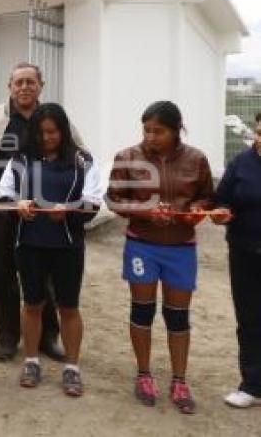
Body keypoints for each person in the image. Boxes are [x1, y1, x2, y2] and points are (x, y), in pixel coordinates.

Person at [106, 101, 213, 414]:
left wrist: (195, 212)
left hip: (181, 247)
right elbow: (114, 199)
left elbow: (206, 197)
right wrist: (145, 212)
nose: (150, 137)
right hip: (142, 245)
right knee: (142, 309)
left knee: (177, 315)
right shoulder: (127, 157)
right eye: (146, 130)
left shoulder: (196, 159)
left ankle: (179, 380)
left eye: (159, 131)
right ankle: (143, 374)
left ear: (177, 129)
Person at [0, 103, 103, 397]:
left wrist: (69, 210)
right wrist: (17, 205)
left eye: (52, 132)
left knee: (68, 307)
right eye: (41, 133)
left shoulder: (83, 160)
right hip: (29, 244)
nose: (46, 138)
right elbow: (3, 194)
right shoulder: (20, 159)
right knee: (32, 305)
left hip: (67, 246)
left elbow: (93, 202)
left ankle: (72, 367)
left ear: (63, 130)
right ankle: (31, 361)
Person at [0, 62, 69, 362]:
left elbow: (77, 152)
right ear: (9, 86)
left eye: (30, 82)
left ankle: (47, 337)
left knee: (45, 275)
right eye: (19, 82)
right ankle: (7, 338)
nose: (25, 87)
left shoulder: (55, 116)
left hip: (42, 209)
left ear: (41, 85)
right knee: (1, 273)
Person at [211, 115, 261, 408]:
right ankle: (252, 385)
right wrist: (221, 211)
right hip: (244, 253)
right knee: (250, 319)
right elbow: (221, 199)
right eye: (259, 131)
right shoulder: (241, 163)